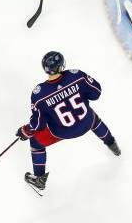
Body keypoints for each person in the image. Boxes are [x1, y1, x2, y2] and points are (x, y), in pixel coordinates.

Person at [16, 51, 120, 193]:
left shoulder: (39, 94)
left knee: (35, 142)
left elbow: (38, 125)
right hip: (86, 122)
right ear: (61, 66)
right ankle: (112, 144)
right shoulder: (76, 76)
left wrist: (26, 130)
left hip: (62, 132)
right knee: (93, 118)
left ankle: (39, 178)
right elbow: (96, 93)